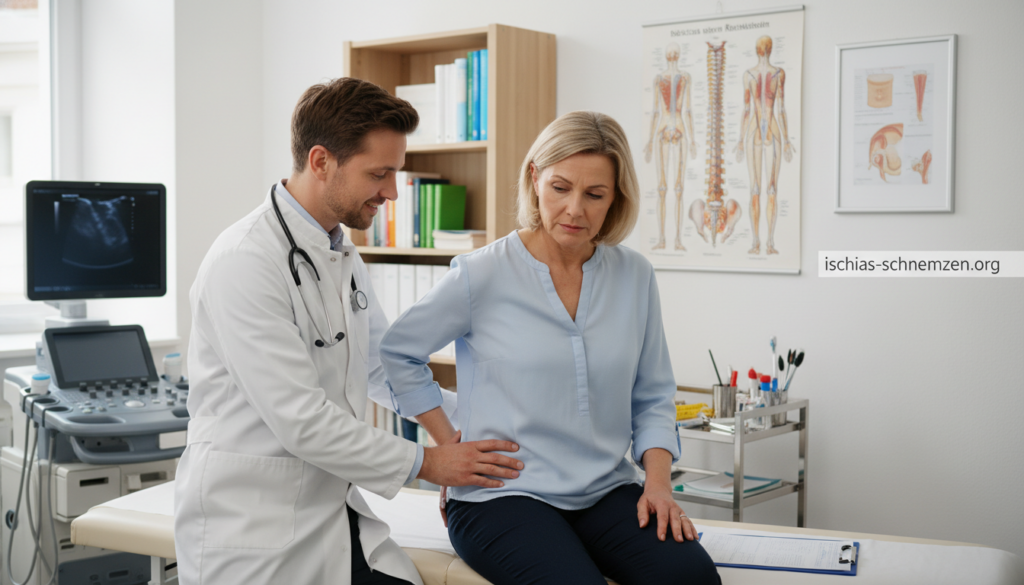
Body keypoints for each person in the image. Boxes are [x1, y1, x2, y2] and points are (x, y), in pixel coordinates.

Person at [173, 78, 523, 585]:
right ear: (321, 161)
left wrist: (473, 421)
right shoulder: (244, 261)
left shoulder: (337, 250)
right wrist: (431, 463)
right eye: (379, 174)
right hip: (254, 527)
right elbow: (303, 421)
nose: (393, 192)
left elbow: (379, 364)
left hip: (329, 513)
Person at [379, 111, 721, 584]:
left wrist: (657, 485)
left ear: (615, 199)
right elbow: (397, 351)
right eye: (561, 188)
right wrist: (447, 443)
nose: (575, 209)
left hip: (605, 489)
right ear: (535, 178)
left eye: (594, 194)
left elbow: (652, 395)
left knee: (693, 579)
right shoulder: (482, 274)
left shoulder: (634, 276)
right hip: (502, 495)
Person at [735, 35, 795, 256]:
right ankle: (765, 242)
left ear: (757, 50)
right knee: (769, 190)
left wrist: (742, 139)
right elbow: (780, 109)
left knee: (758, 189)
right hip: (770, 131)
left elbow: (747, 109)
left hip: (755, 133)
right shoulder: (777, 74)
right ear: (770, 49)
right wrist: (786, 139)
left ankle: (759, 242)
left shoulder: (750, 75)